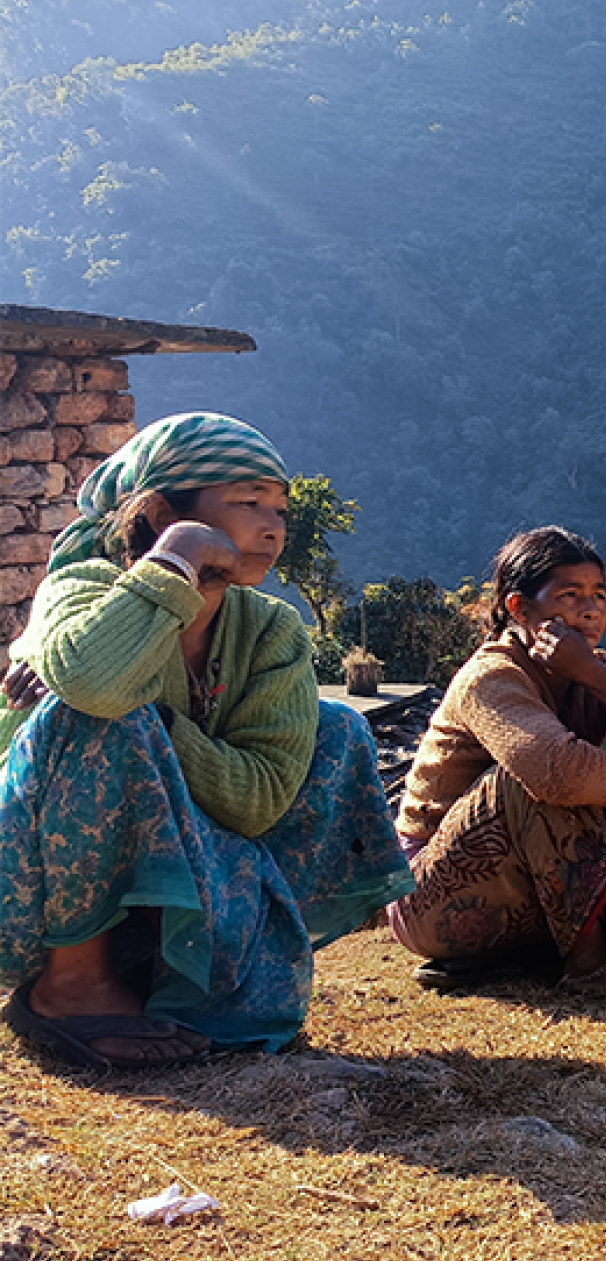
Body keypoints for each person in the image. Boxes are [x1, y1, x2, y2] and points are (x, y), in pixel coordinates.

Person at [0, 412, 413, 1067]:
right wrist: (174, 564)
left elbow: (262, 798)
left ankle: (176, 973)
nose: (273, 523)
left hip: (193, 855)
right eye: (248, 502)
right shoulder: (83, 588)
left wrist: (166, 732)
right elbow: (98, 688)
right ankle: (69, 984)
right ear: (164, 508)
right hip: (37, 871)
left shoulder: (271, 629)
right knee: (102, 714)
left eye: (279, 505)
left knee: (338, 730)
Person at [390, 527, 606, 991]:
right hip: (431, 897)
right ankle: (593, 964)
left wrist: (598, 680)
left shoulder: (600, 669)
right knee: (536, 776)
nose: (589, 609)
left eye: (598, 595)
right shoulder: (491, 676)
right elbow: (559, 776)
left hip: (520, 894)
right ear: (519, 609)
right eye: (569, 595)